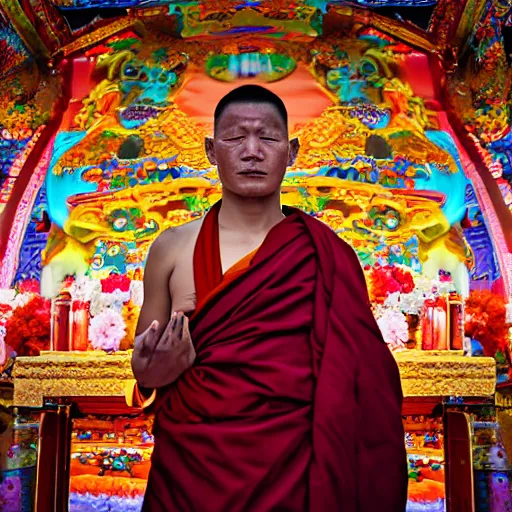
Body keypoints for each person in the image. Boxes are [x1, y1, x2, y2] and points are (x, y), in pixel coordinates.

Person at [129, 84, 408, 511]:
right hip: (192, 468)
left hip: (293, 471)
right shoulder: (171, 248)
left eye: (269, 138)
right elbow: (144, 361)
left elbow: (362, 378)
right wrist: (154, 372)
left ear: (292, 151)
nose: (252, 151)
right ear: (210, 150)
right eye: (236, 138)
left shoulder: (326, 255)